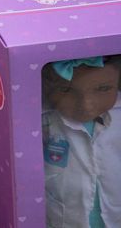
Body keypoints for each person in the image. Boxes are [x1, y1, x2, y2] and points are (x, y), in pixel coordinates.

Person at [42, 56, 121, 227]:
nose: (86, 105)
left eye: (103, 89)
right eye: (67, 90)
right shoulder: (43, 121)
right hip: (64, 218)